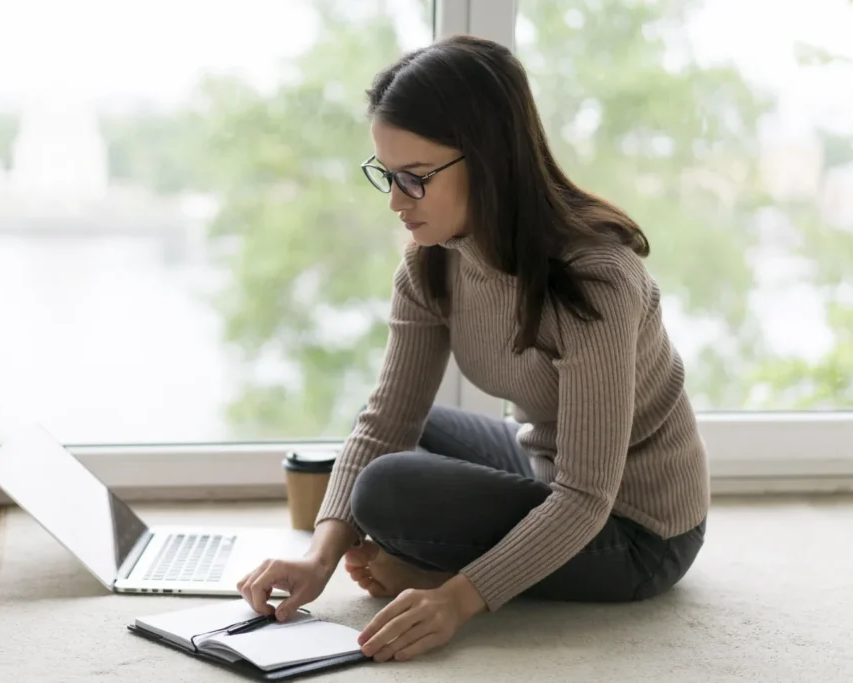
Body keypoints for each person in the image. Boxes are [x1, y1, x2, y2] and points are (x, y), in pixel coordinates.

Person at [237, 34, 710, 664]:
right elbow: (386, 421)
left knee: (390, 489)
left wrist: (455, 599)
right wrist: (318, 558)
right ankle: (437, 564)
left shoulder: (595, 280)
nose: (396, 201)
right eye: (386, 174)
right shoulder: (433, 265)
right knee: (408, 434)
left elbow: (587, 496)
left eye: (414, 178)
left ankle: (435, 572)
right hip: (549, 467)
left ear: (487, 160)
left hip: (638, 528)